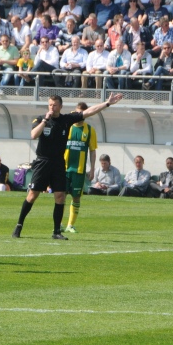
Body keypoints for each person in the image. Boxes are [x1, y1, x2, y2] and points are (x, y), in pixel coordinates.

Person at [13, 93, 122, 240]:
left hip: (58, 163)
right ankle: (19, 225)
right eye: (50, 105)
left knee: (60, 196)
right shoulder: (40, 119)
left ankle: (57, 231)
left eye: (55, 105)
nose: (52, 107)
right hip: (42, 162)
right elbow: (33, 135)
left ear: (61, 106)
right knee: (32, 195)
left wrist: (107, 103)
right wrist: (45, 120)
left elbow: (88, 112)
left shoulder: (66, 120)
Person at [62, 102, 97, 233]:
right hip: (64, 168)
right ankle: (59, 223)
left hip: (79, 169)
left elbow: (92, 151)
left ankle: (70, 225)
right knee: (61, 196)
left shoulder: (90, 130)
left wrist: (92, 169)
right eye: (77, 113)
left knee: (76, 197)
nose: (79, 116)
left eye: (81, 113)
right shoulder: (67, 126)